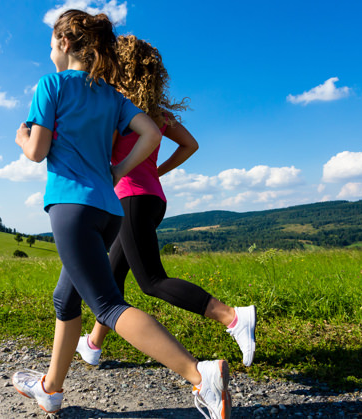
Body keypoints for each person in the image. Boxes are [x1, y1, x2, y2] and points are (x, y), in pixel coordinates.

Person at [11, 10, 231, 419]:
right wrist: (118, 171)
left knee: (109, 305)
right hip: (109, 209)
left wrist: (22, 136)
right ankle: (51, 389)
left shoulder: (51, 86)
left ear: (63, 43)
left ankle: (201, 376)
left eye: (50, 44)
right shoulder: (112, 96)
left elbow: (37, 152)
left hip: (71, 207)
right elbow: (151, 133)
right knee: (65, 297)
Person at [75, 35, 257, 370]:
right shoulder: (156, 113)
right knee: (113, 277)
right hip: (152, 199)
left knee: (152, 281)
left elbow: (103, 155)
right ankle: (93, 344)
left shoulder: (118, 108)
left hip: (129, 199)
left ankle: (232, 317)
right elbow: (190, 145)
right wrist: (156, 170)